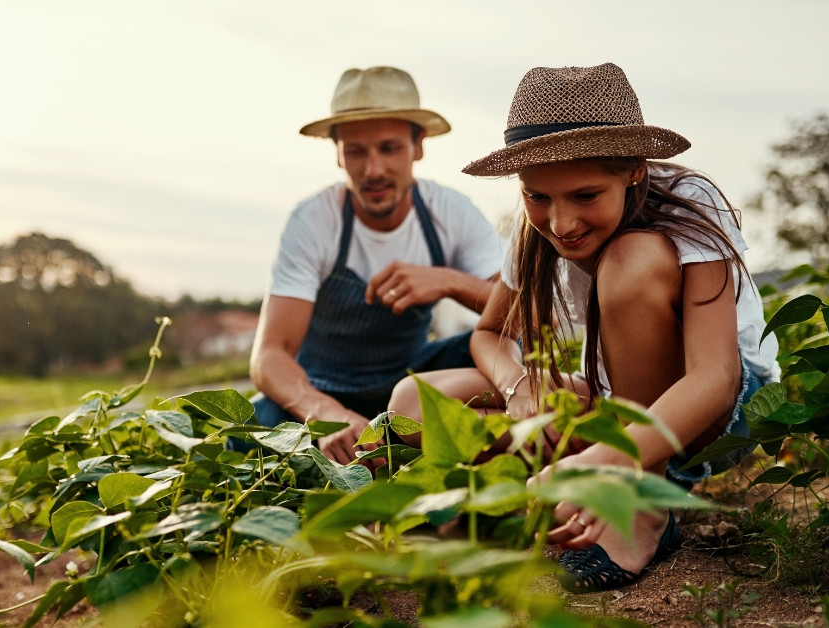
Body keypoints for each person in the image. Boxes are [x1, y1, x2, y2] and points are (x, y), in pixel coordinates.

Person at [386, 63, 780, 591]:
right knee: (414, 401)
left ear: (635, 170)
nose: (561, 224)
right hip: (614, 406)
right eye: (536, 196)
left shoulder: (688, 204)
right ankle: (512, 501)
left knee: (630, 259)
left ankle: (639, 505)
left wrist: (605, 458)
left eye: (586, 196)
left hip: (716, 414)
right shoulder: (535, 232)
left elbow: (715, 378)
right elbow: (489, 334)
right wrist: (519, 385)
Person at [247, 67, 503, 464]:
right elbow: (269, 356)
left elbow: (526, 312)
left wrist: (449, 281)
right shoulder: (314, 221)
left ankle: (487, 433)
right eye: (356, 151)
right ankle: (422, 441)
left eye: (389, 148)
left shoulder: (451, 213)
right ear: (337, 153)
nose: (374, 170)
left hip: (410, 380)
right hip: (325, 387)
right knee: (258, 425)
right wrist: (328, 417)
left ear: (418, 146)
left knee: (503, 342)